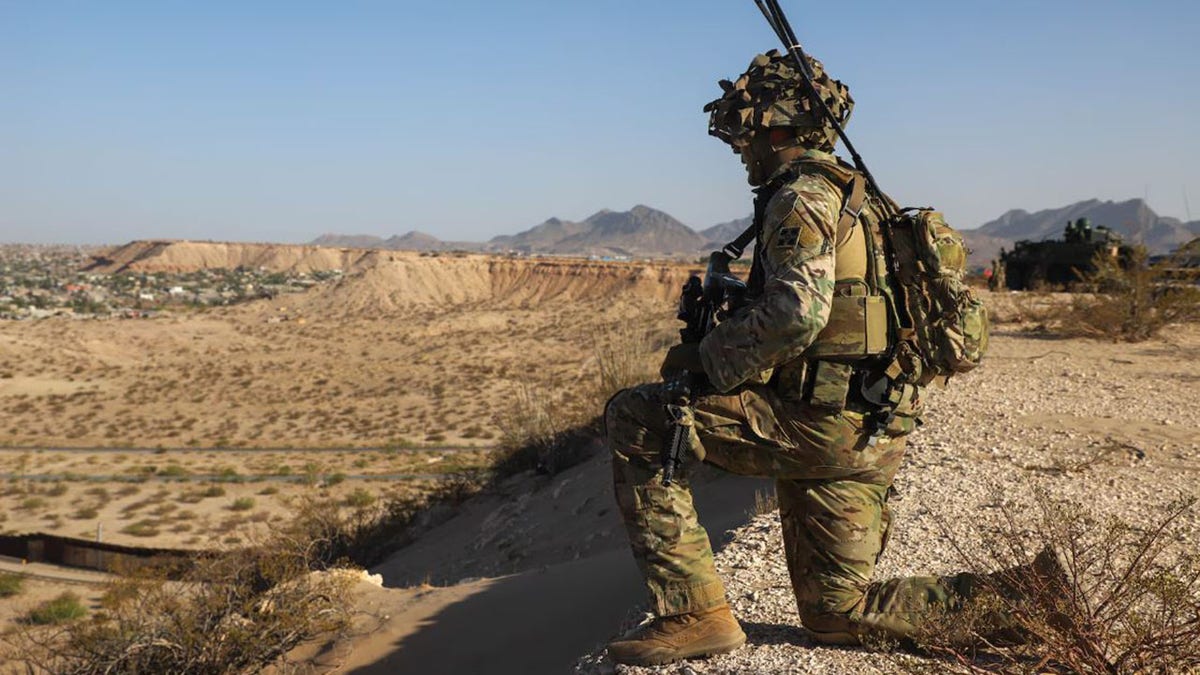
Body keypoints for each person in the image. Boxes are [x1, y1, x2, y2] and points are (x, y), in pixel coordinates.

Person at [604, 50, 1054, 667]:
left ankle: (693, 613)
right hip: (873, 424)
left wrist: (705, 359)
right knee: (836, 616)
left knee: (638, 416)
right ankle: (1026, 599)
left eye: (745, 130)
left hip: (821, 426)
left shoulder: (802, 199)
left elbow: (797, 314)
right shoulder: (864, 199)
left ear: (779, 124)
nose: (741, 146)